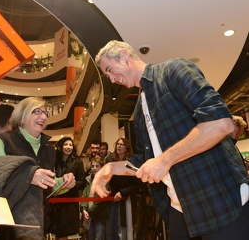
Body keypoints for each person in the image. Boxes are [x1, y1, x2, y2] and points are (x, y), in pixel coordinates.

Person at [91, 40, 249, 240]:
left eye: (111, 70)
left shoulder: (173, 70)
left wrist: (165, 160)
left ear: (124, 55)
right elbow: (147, 160)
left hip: (219, 201)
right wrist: (112, 167)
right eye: (108, 75)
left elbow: (220, 123)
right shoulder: (140, 108)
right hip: (180, 209)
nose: (112, 80)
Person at [0, 97, 76, 239]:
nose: (43, 117)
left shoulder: (49, 149)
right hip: (6, 226)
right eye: (36, 112)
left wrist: (63, 182)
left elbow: (48, 184)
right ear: (22, 118)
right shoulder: (4, 141)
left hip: (37, 224)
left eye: (45, 113)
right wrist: (28, 176)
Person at [49, 137, 87, 240]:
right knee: (54, 230)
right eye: (66, 144)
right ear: (61, 147)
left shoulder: (78, 162)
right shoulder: (54, 161)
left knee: (64, 231)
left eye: (70, 145)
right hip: (55, 202)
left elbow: (83, 182)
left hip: (69, 202)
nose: (68, 147)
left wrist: (71, 184)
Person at [106, 137, 141, 240]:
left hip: (127, 201)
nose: (119, 146)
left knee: (124, 232)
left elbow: (137, 185)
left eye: (121, 144)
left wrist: (122, 192)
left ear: (127, 148)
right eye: (117, 144)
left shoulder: (131, 163)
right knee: (112, 231)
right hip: (113, 200)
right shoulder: (112, 162)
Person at [81, 156, 110, 240]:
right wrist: (84, 209)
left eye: (97, 166)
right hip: (89, 215)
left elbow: (101, 200)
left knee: (99, 237)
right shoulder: (88, 180)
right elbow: (85, 195)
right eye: (92, 166)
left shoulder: (105, 180)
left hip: (100, 215)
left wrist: (90, 211)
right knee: (91, 237)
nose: (94, 168)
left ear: (102, 167)